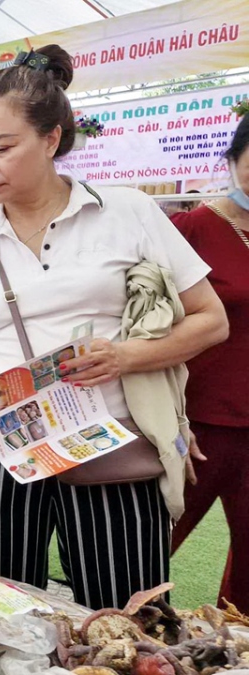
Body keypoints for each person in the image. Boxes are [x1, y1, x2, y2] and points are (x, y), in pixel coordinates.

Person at [0, 45, 228, 610]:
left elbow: (211, 320)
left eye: (3, 148)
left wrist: (124, 357)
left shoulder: (127, 212)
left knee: (125, 606)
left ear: (52, 139)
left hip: (108, 436)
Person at [169, 114, 249, 610]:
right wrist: (172, 418)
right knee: (151, 548)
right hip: (199, 425)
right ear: (234, 159)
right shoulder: (190, 229)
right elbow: (149, 326)